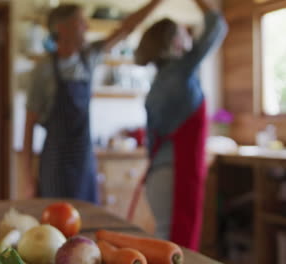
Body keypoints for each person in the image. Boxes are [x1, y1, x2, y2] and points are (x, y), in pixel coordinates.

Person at [22, 1, 163, 203]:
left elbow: (126, 28)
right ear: (62, 29)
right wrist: (28, 179)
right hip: (54, 165)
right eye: (80, 22)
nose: (87, 27)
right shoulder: (43, 71)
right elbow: (29, 126)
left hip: (84, 161)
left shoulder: (89, 57)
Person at [130, 0, 228, 250]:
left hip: (161, 178)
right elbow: (216, 25)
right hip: (175, 177)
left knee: (169, 246)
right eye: (185, 34)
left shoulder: (161, 81)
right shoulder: (181, 71)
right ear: (174, 42)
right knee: (176, 249)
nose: (190, 39)